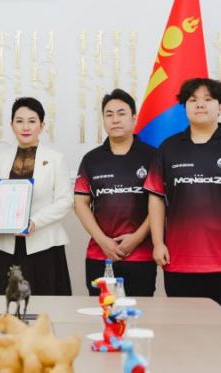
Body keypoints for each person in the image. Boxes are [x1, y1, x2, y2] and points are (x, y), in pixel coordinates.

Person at [145, 78, 221, 324]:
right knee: (185, 333)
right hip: (179, 262)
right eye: (193, 100)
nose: (200, 105)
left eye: (208, 99)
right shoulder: (168, 149)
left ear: (220, 107)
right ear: (185, 107)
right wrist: (158, 243)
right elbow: (156, 198)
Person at [74, 89, 157, 296]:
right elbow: (80, 203)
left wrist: (137, 238)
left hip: (141, 255)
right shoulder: (91, 159)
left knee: (138, 311)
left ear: (134, 118)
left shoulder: (152, 156)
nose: (115, 120)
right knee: (102, 310)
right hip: (100, 254)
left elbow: (159, 204)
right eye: (109, 114)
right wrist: (103, 241)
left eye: (121, 113)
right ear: (103, 120)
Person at [0, 97, 72, 296]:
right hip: (8, 245)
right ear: (11, 125)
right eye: (19, 121)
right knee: (8, 303)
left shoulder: (55, 159)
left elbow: (65, 201)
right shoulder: (0, 159)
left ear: (42, 126)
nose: (25, 127)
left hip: (43, 245)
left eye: (32, 121)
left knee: (45, 303)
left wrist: (34, 221)